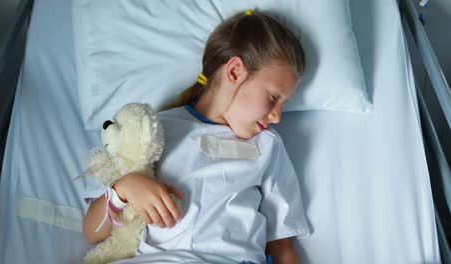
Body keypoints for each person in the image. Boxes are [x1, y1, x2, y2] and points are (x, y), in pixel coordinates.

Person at [82, 9, 311, 264]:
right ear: (235, 72)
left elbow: (282, 247)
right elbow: (92, 232)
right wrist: (123, 188)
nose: (277, 116)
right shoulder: (153, 132)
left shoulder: (267, 146)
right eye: (273, 97)